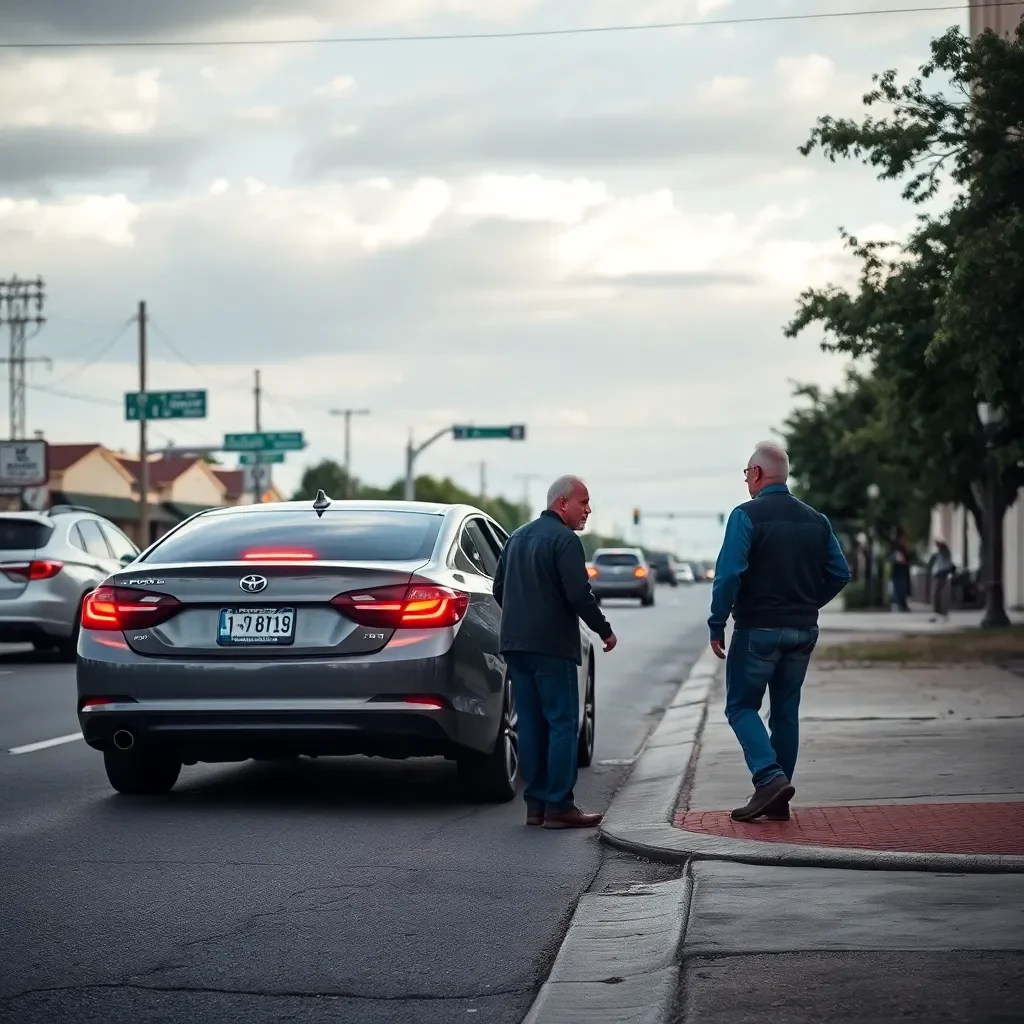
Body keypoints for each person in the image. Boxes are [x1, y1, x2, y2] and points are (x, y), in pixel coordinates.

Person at [708, 442, 851, 822]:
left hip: (758, 630)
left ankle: (769, 779)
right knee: (786, 711)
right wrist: (807, 604)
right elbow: (840, 572)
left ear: (756, 474)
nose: (746, 482)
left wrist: (717, 622)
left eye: (746, 474)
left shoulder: (745, 516)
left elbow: (729, 575)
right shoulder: (816, 520)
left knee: (740, 706)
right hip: (803, 630)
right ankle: (778, 800)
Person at [492, 476, 617, 829]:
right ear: (562, 504)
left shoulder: (515, 538)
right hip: (552, 646)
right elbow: (579, 594)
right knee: (562, 724)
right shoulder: (564, 541)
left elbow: (499, 589)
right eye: (583, 502)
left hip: (516, 645)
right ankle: (560, 806)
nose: (588, 510)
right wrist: (604, 630)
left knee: (530, 724)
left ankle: (536, 805)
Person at [928, 537, 955, 623]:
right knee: (937, 594)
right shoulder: (939, 554)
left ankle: (940, 613)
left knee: (938, 594)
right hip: (938, 574)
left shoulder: (944, 553)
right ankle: (939, 613)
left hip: (941, 574)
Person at [890, 527, 912, 612]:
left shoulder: (899, 545)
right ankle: (900, 604)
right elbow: (899, 557)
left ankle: (901, 604)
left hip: (901, 569)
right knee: (900, 587)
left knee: (901, 587)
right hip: (900, 569)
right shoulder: (897, 545)